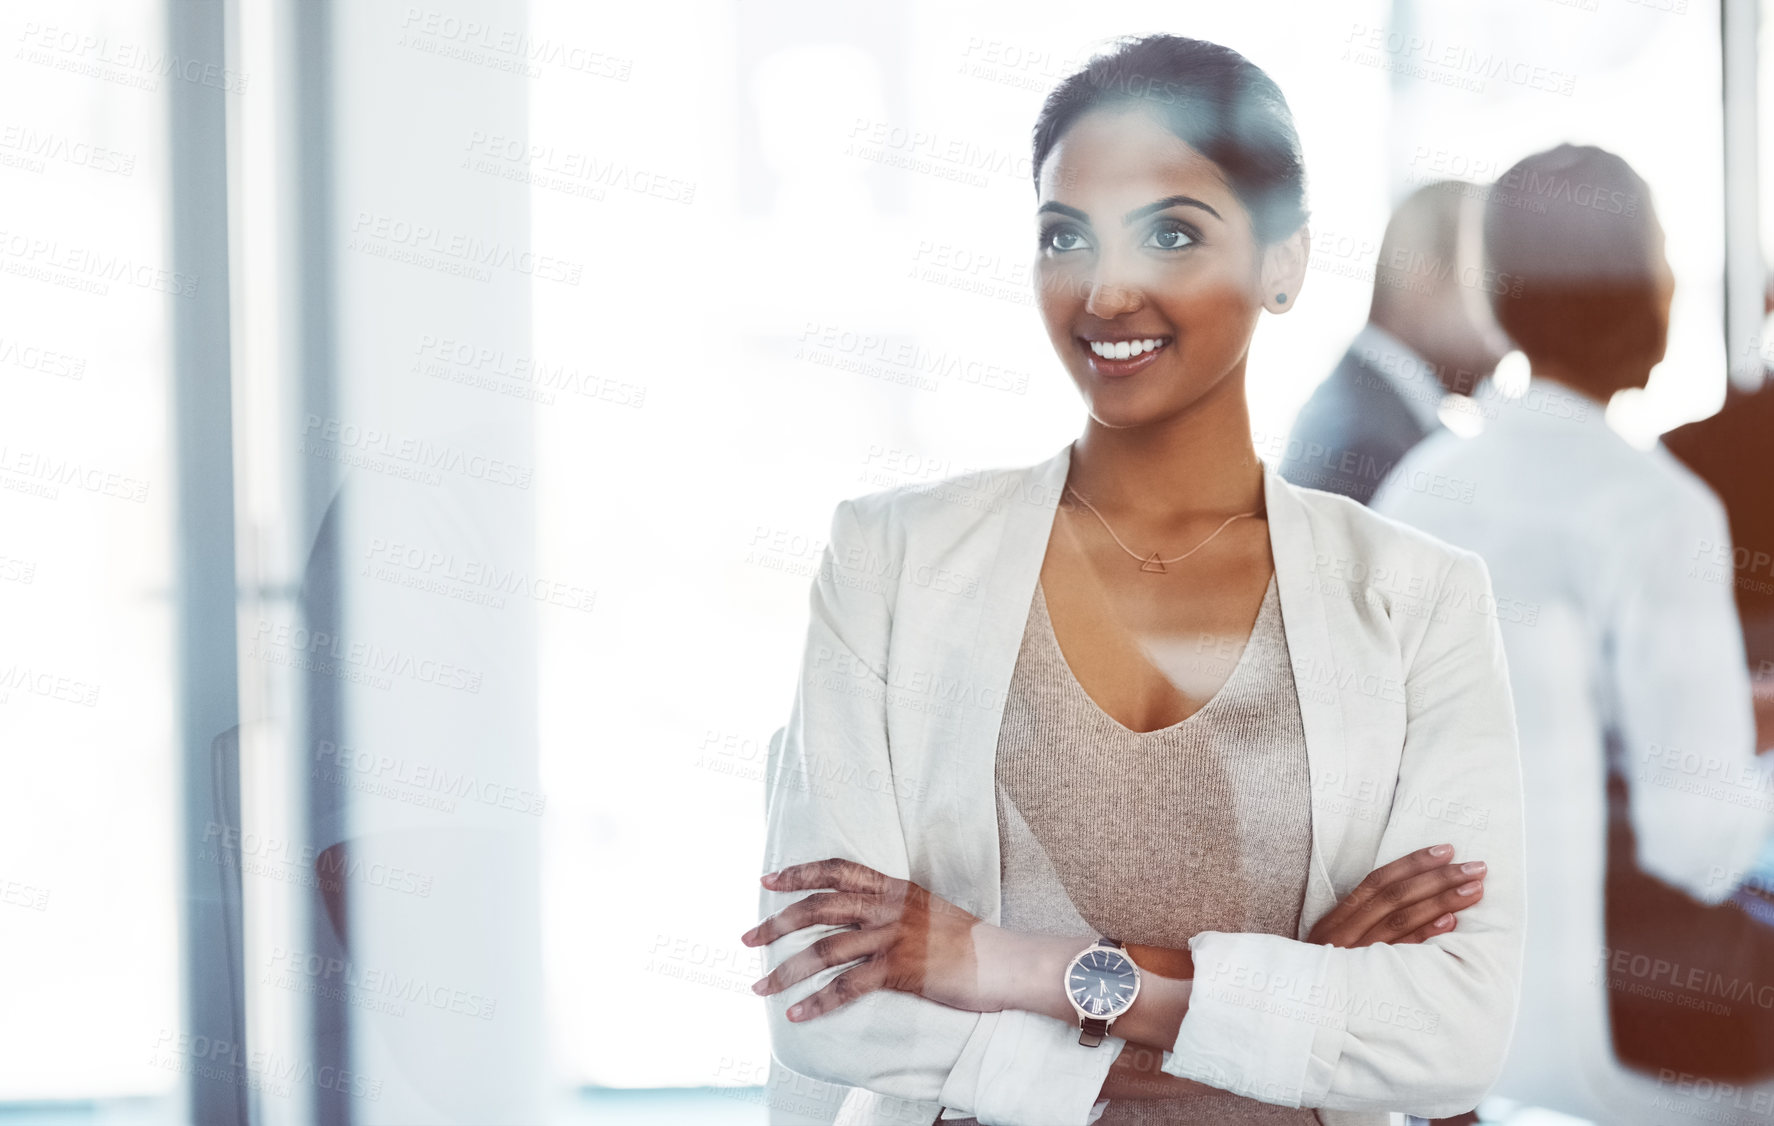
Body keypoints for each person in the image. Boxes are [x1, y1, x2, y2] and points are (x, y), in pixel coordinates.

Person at [741, 35, 1524, 1126]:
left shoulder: (1418, 597)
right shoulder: (893, 561)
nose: (1106, 289)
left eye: (1171, 233)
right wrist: (1279, 1007)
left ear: (1284, 262)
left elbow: (1452, 1035)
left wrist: (1007, 963)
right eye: (1066, 236)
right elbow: (825, 1002)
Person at [1372, 144, 1774, 1123]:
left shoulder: (1414, 490)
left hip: (1446, 1016)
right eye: (1665, 254)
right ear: (1636, 289)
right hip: (1631, 1023)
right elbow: (1701, 845)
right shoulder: (1651, 506)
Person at [1280, 182, 1507, 504]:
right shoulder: (1371, 446)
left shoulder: (1361, 414)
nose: (1507, 338)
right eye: (1490, 289)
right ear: (1423, 276)